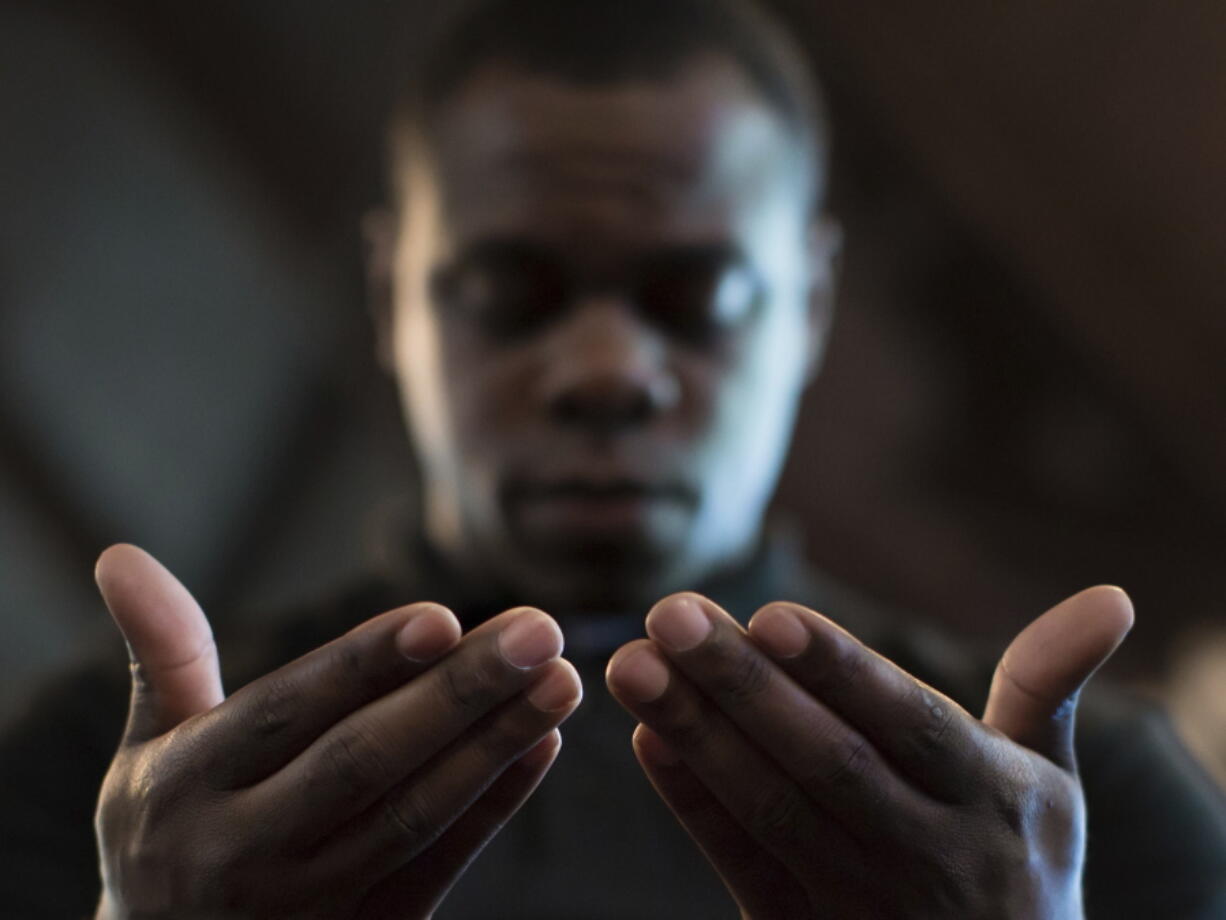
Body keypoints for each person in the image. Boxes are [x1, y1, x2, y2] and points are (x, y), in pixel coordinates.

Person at [3, 0, 1225, 917]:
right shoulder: (115, 788)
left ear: (805, 307)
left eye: (697, 291)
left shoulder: (1068, 811)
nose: (600, 366)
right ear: (390, 298)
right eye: (507, 288)